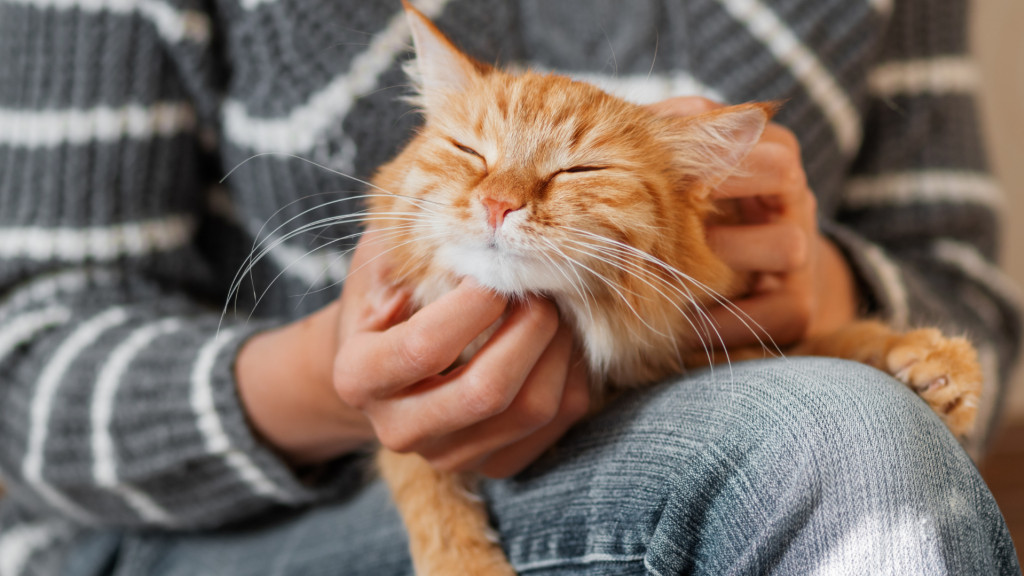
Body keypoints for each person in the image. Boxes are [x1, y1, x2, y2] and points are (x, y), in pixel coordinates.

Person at [0, 0, 1020, 574]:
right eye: (468, 161)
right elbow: (23, 370)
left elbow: (964, 309)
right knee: (835, 441)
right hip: (199, 535)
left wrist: (813, 296)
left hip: (717, 424)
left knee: (841, 431)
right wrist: (331, 385)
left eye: (569, 175)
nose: (501, 200)